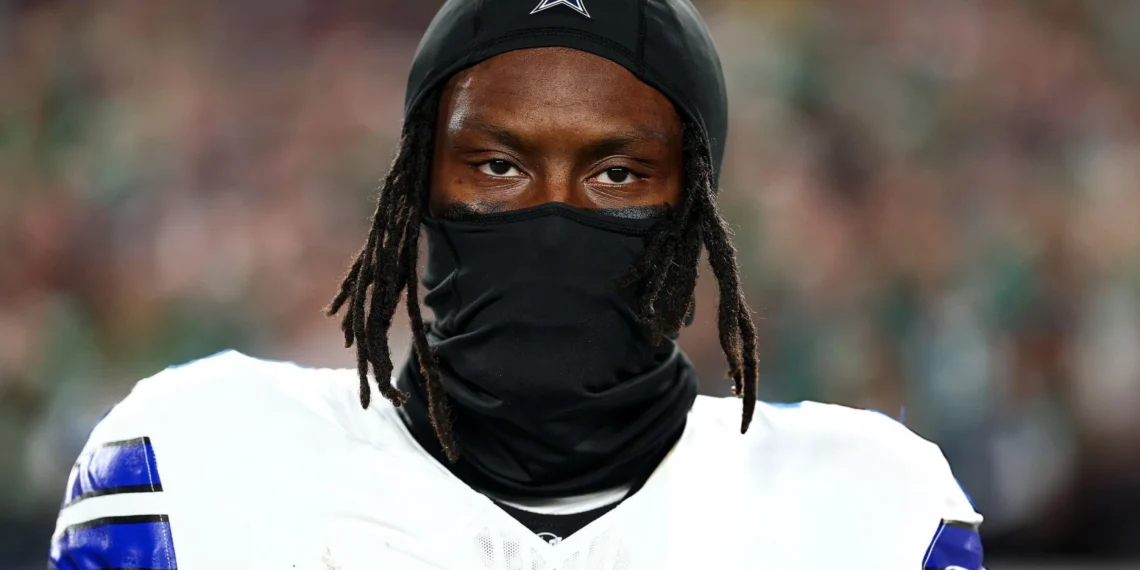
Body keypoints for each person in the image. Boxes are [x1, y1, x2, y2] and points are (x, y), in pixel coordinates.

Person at [48, 0, 983, 568]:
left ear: (694, 210)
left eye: (616, 175)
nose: (552, 213)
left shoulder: (866, 507)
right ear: (417, 188)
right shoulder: (199, 462)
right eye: (498, 167)